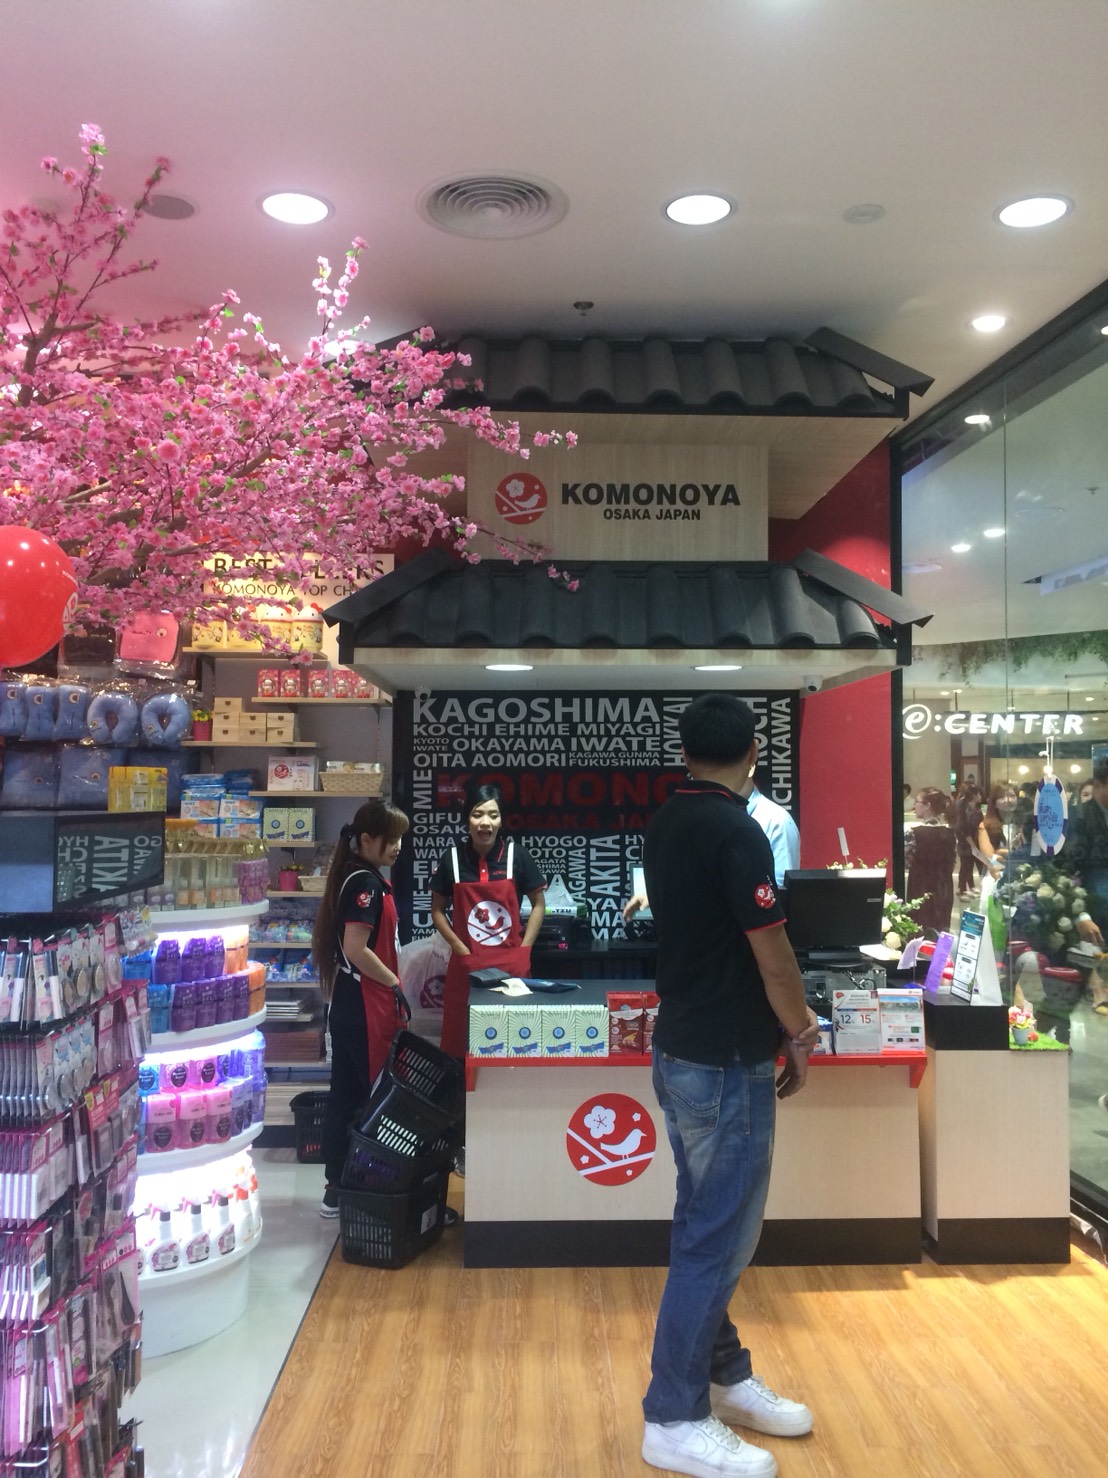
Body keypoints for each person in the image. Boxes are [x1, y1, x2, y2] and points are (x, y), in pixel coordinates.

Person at [639, 694, 819, 1478]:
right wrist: (802, 1033)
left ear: (686, 752)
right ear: (753, 751)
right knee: (719, 1240)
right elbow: (773, 955)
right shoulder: (738, 830)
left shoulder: (667, 821)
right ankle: (673, 1416)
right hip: (726, 1060)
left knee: (702, 1226)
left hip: (682, 1049)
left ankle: (724, 1374)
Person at [311, 799, 411, 1218]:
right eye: (392, 839)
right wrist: (393, 982)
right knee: (370, 1098)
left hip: (354, 1005)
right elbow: (356, 949)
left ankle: (339, 1189)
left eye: (401, 838)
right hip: (365, 1007)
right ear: (367, 840)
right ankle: (364, 1188)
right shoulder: (364, 883)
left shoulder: (357, 876)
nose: (398, 847)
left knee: (347, 1095)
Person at [429, 779, 547, 1059]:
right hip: (467, 965)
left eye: (493, 815)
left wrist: (525, 950)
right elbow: (437, 911)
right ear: (467, 820)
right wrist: (459, 948)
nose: (485, 822)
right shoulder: (452, 860)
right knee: (461, 1045)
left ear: (501, 820)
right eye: (477, 814)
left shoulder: (517, 856)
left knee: (514, 1041)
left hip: (512, 964)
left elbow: (538, 904)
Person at [624, 763, 800, 924]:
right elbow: (702, 880)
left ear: (750, 766)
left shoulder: (776, 822)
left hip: (750, 938)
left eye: (723, 769)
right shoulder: (698, 818)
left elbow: (779, 899)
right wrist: (661, 895)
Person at [1066, 758, 1108, 1014]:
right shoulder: (1079, 816)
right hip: (1092, 902)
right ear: (1100, 785)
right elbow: (1067, 868)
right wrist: (1080, 913)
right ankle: (1097, 987)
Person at [904, 786, 957, 935]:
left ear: (927, 805)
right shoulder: (950, 833)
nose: (915, 806)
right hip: (944, 890)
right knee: (942, 931)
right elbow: (952, 863)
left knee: (919, 933)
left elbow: (906, 862)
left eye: (917, 802)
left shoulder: (913, 834)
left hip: (920, 889)